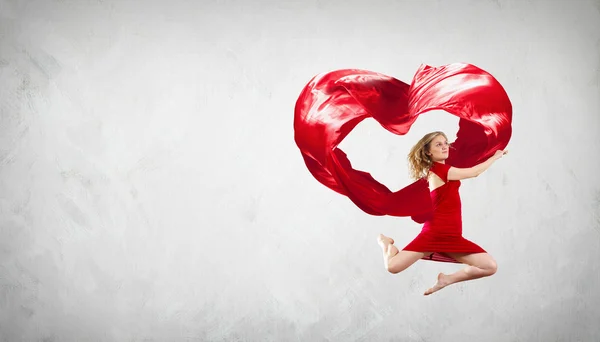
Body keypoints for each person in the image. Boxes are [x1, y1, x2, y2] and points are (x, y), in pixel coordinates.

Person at [377, 131, 508, 295]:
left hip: (452, 235)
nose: (445, 146)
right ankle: (386, 244)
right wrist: (494, 157)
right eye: (438, 144)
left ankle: (446, 279)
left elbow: (470, 165)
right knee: (392, 267)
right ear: (428, 152)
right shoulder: (439, 170)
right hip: (435, 232)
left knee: (489, 266)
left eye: (446, 143)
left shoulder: (444, 170)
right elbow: (473, 172)